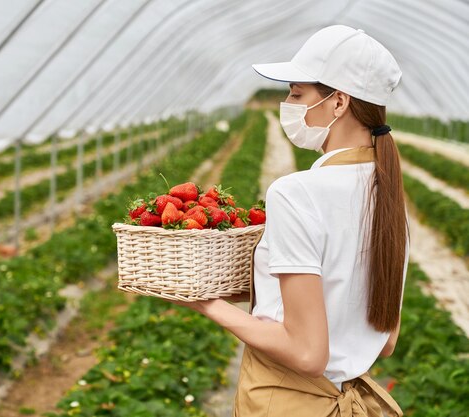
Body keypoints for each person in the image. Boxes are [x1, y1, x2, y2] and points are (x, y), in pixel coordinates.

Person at [169, 25, 410, 416]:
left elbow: (307, 353)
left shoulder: (297, 192)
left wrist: (208, 304)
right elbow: (384, 341)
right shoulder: (388, 196)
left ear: (339, 102)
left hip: (286, 403)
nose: (288, 102)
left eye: (297, 94)